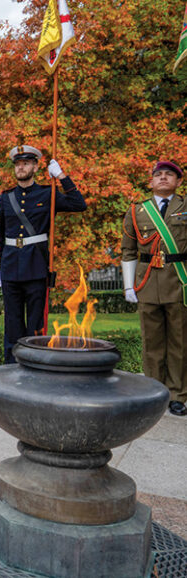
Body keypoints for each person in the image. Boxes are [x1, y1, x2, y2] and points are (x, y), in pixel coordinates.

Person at [0, 145, 86, 363]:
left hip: (36, 267)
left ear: (35, 166)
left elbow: (79, 204)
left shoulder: (48, 193)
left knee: (35, 326)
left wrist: (61, 176)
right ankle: (11, 368)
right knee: (12, 325)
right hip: (10, 268)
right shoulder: (6, 198)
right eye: (17, 164)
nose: (21, 167)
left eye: (25, 163)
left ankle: (34, 366)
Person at [122, 160, 187, 417]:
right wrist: (129, 286)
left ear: (179, 181)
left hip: (179, 281)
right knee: (151, 342)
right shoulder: (137, 211)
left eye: (169, 175)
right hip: (147, 281)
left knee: (180, 341)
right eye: (158, 175)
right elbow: (128, 250)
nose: (162, 178)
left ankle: (178, 394)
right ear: (151, 181)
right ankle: (154, 391)